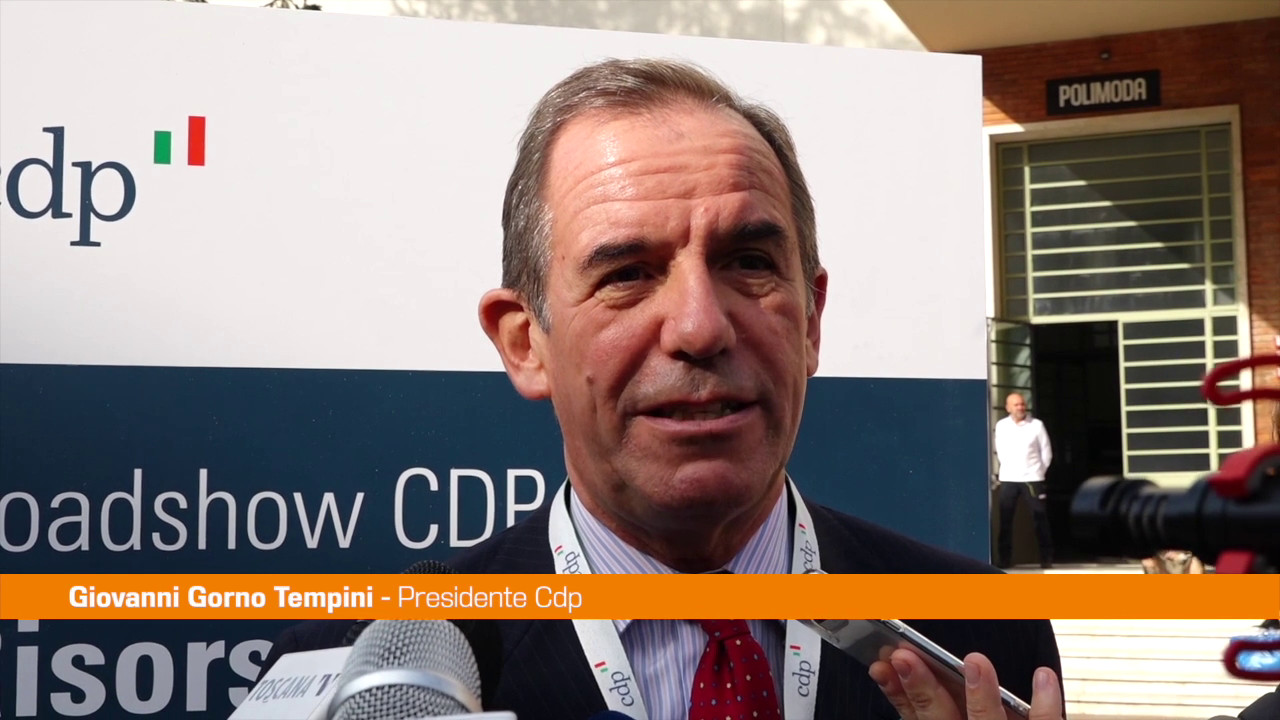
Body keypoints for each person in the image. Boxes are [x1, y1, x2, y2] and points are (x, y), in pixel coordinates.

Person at [261, 58, 1065, 720]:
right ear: (525, 342)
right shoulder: (367, 679)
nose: (700, 327)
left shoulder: (984, 636)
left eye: (748, 262)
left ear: (812, 321)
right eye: (627, 274)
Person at [993, 392, 1055, 569]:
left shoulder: (1036, 425)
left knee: (1039, 518)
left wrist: (1038, 472)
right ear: (1008, 408)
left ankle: (1046, 558)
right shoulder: (1002, 426)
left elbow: (1046, 452)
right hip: (1009, 478)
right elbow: (1000, 451)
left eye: (1022, 404)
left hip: (1032, 478)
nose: (1020, 407)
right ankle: (1005, 559)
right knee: (1006, 519)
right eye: (1016, 405)